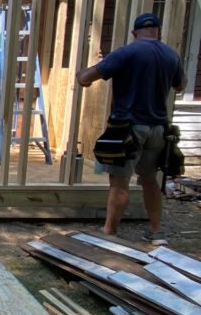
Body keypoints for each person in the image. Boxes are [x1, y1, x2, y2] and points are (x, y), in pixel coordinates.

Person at [76, 12, 186, 242]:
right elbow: (181, 85)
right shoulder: (170, 55)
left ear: (135, 33)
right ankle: (156, 232)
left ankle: (109, 232)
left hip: (127, 129)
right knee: (149, 180)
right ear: (158, 31)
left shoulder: (127, 52)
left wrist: (83, 78)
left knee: (119, 182)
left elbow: (87, 76)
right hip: (158, 129)